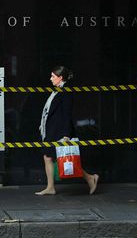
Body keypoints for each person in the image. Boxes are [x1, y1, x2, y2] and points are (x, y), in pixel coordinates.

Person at [35, 66, 99, 196]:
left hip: (59, 131)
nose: (50, 79)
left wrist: (66, 135)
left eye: (53, 76)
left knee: (63, 158)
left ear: (60, 78)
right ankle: (51, 187)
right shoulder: (58, 91)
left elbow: (67, 115)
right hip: (52, 130)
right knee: (50, 157)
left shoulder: (65, 92)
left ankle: (90, 178)